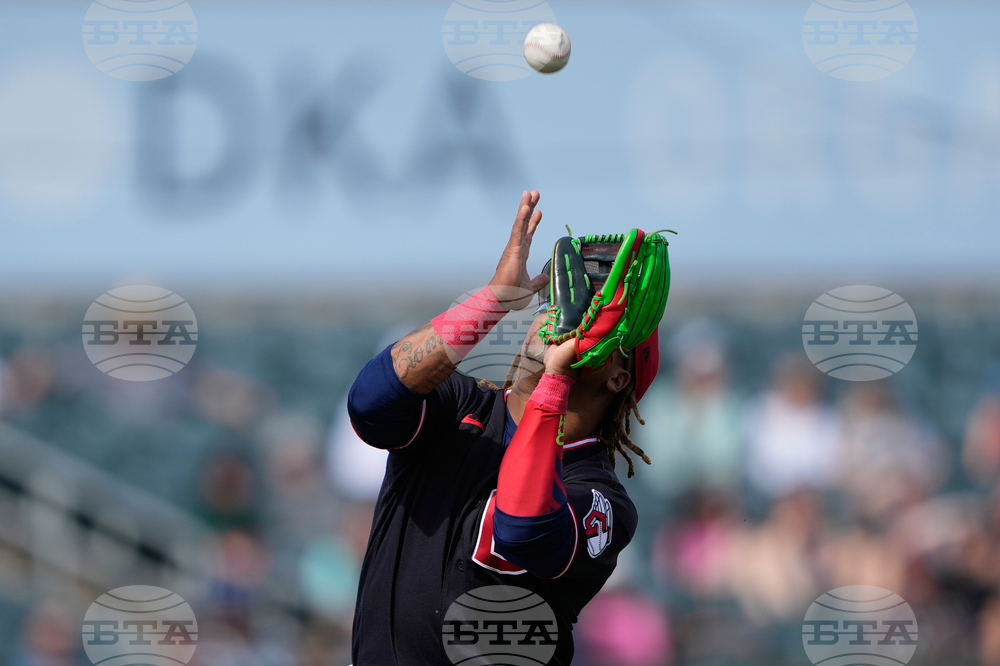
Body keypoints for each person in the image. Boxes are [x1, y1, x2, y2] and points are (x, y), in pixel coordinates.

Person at [346, 191, 663, 665]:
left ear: (619, 377)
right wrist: (492, 300)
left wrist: (556, 379)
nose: (563, 317)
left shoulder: (604, 500)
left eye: (590, 315)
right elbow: (371, 404)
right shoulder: (459, 406)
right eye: (557, 305)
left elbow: (524, 526)